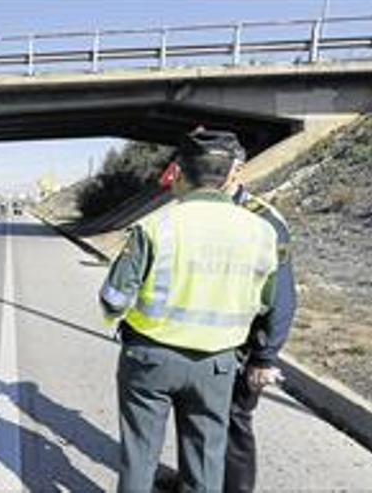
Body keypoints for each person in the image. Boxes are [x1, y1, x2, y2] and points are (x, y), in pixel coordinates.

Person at [99, 129, 280, 492]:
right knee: (204, 459)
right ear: (231, 174)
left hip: (149, 361)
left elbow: (113, 300)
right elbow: (266, 300)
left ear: (179, 171)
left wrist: (120, 320)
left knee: (139, 456)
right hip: (217, 365)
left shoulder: (155, 227)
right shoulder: (263, 232)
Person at [223, 177, 297, 492]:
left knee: (234, 419)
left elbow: (282, 296)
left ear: (235, 171)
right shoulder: (205, 210)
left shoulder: (264, 220)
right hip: (208, 340)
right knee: (199, 419)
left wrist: (264, 357)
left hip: (242, 345)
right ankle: (195, 482)